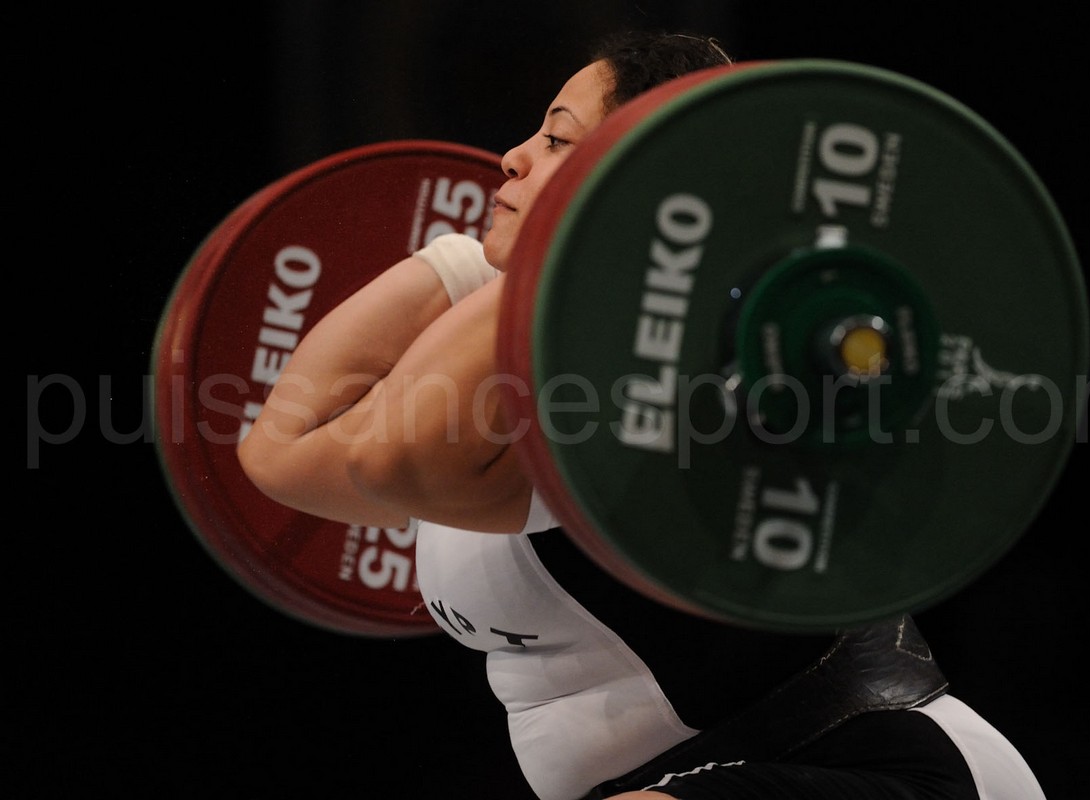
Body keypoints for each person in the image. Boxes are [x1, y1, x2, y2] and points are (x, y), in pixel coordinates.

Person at [237, 30, 1047, 800]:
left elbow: (387, 459)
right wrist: (466, 264)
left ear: (638, 175)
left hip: (881, 770)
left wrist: (573, 243)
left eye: (558, 140)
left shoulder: (663, 386)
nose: (513, 157)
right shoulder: (532, 354)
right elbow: (281, 454)